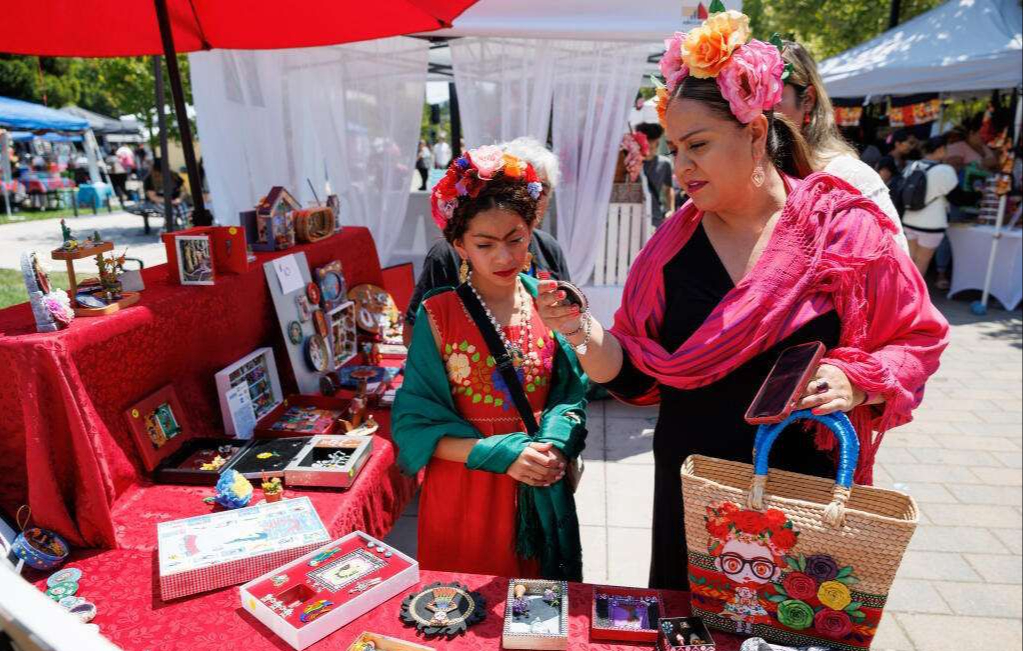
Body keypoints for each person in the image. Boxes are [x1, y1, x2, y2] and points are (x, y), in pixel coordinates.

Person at [536, 13, 949, 591]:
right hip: (694, 485)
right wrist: (581, 330)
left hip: (801, 487)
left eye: (697, 145)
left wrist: (857, 380)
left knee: (791, 647)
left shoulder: (845, 230)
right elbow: (634, 376)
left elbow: (918, 336)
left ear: (757, 134)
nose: (680, 166)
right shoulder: (668, 253)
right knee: (690, 648)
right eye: (675, 148)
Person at [392, 145, 587, 581]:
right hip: (466, 486)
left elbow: (571, 395)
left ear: (533, 228)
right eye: (485, 244)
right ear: (458, 245)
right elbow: (413, 424)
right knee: (461, 610)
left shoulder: (552, 302)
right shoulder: (438, 315)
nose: (504, 257)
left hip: (536, 482)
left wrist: (554, 443)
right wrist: (502, 454)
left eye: (516, 239)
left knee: (539, 615)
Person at [403, 137, 571, 345]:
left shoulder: (549, 247)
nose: (530, 197)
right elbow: (414, 331)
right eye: (484, 245)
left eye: (540, 189)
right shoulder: (446, 255)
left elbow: (568, 319)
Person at [776, 41, 908, 253]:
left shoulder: (850, 177)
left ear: (808, 99)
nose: (758, 110)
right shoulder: (745, 177)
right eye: (747, 96)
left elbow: (895, 272)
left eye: (772, 93)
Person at [902, 135, 959, 279]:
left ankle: (899, 295)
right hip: (932, 224)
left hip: (909, 220)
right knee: (921, 263)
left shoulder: (913, 165)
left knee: (908, 261)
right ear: (940, 149)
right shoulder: (945, 170)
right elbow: (957, 198)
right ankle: (912, 299)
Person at [634, 122, 676, 227]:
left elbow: (668, 189)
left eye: (652, 147)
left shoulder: (665, 163)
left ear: (657, 144)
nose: (649, 151)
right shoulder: (632, 163)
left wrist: (671, 209)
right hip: (634, 214)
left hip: (655, 216)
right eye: (646, 147)